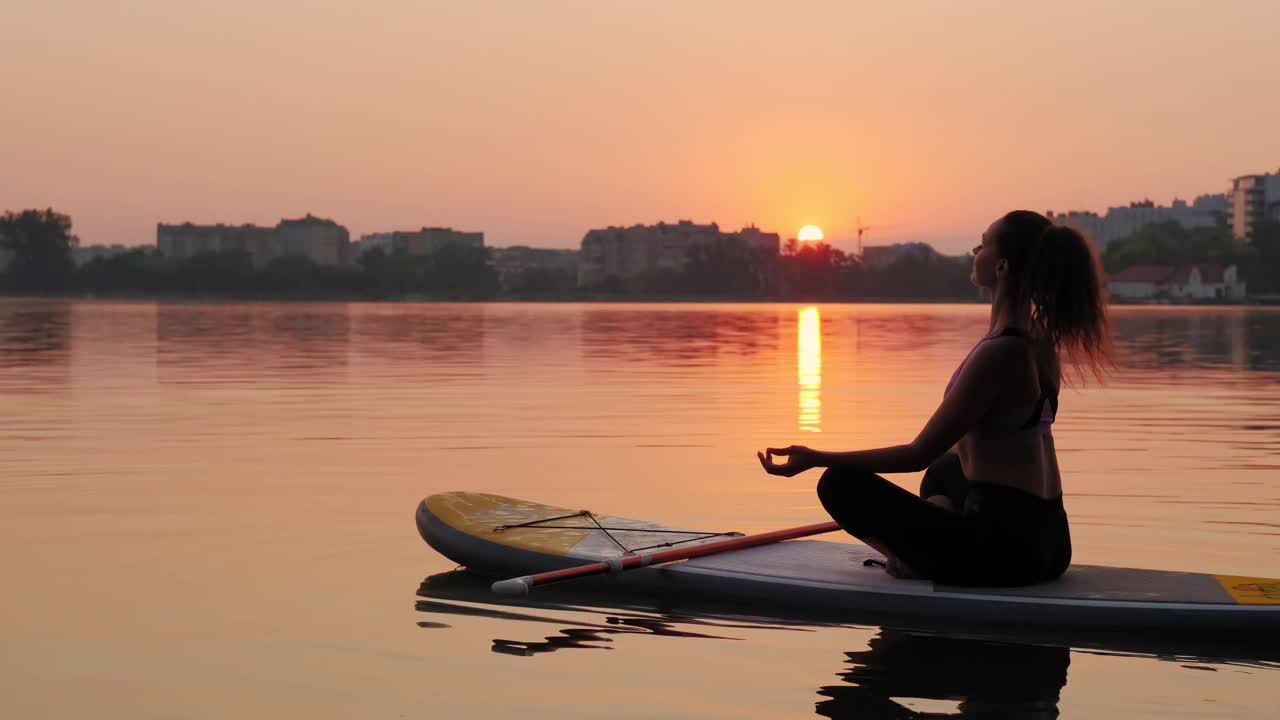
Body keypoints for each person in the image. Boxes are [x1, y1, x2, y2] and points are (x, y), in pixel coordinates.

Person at [758, 210, 1113, 586]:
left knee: (838, 484)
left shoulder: (1001, 353)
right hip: (1051, 542)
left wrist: (816, 458)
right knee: (945, 470)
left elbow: (916, 453)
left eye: (984, 243)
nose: (975, 250)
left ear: (1002, 267)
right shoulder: (1040, 341)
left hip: (1006, 555)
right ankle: (927, 545)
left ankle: (911, 562)